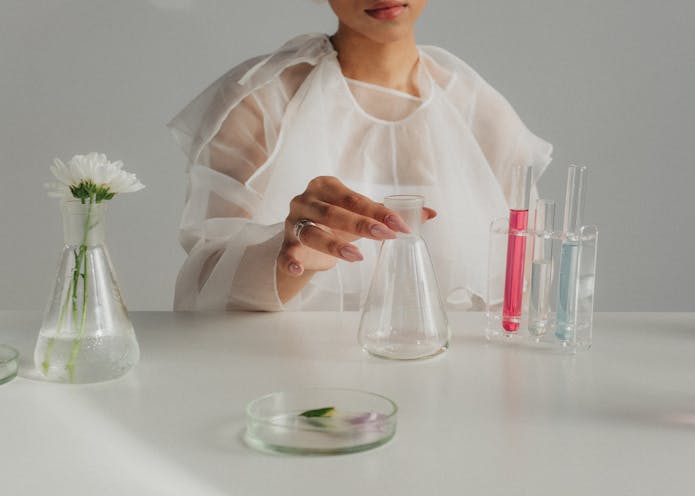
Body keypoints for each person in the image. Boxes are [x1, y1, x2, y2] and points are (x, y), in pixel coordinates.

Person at [168, 0, 552, 312]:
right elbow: (206, 282)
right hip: (296, 381)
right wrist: (289, 259)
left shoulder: (483, 117)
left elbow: (529, 283)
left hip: (452, 381)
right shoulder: (261, 102)